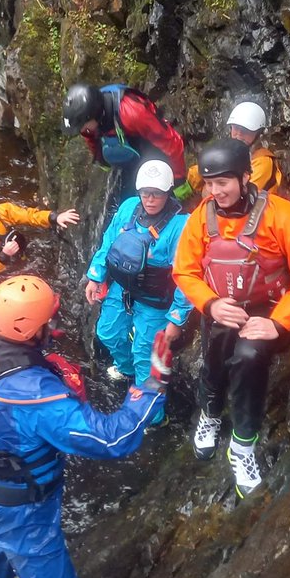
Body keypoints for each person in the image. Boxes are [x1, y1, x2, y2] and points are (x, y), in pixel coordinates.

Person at [0, 275, 172, 578]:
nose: (54, 324)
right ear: (28, 329)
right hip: (24, 511)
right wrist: (152, 384)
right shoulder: (37, 395)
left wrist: (45, 360)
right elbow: (110, 439)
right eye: (48, 321)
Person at [173, 139, 290, 497]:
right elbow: (185, 271)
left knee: (248, 357)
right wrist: (210, 304)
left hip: (270, 310)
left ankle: (242, 445)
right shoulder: (202, 216)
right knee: (215, 355)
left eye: (223, 182)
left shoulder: (281, 214)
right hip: (221, 306)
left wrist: (278, 321)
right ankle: (210, 413)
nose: (215, 191)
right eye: (210, 184)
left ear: (246, 177)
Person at [83, 160, 193, 399]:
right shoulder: (129, 207)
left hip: (155, 302)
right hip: (122, 289)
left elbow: (187, 276)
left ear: (168, 192)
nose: (150, 199)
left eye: (157, 194)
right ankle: (126, 369)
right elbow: (109, 240)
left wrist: (177, 318)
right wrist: (95, 276)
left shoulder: (181, 225)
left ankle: (151, 414)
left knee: (146, 355)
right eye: (145, 193)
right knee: (107, 333)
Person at [61, 82, 193, 200]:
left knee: (160, 197)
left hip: (150, 145)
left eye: (83, 126)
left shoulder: (133, 113)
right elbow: (90, 137)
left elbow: (171, 142)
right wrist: (101, 159)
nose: (82, 130)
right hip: (129, 147)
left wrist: (179, 180)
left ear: (94, 115)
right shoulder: (89, 121)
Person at [0, 191, 80, 276]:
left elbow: (28, 216)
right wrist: (3, 257)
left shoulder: (0, 211)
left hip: (12, 252)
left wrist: (54, 218)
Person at [187, 101, 284, 195]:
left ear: (258, 133)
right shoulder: (226, 151)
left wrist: (209, 185)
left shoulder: (263, 161)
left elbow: (241, 194)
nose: (239, 134)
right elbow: (194, 175)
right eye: (236, 128)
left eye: (246, 130)